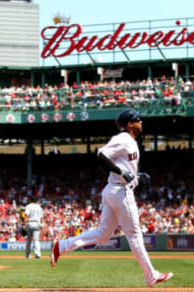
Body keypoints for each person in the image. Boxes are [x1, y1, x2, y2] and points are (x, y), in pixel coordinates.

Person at [50, 109, 173, 287]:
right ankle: (151, 276)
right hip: (120, 191)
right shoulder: (123, 138)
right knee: (134, 235)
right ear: (129, 124)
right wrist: (122, 172)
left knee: (103, 234)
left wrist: (137, 175)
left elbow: (123, 164)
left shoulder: (130, 141)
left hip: (114, 190)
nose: (141, 122)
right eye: (137, 120)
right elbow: (101, 154)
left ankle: (61, 247)